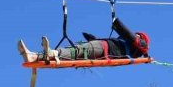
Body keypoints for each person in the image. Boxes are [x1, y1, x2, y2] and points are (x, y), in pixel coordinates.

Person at [17, 18, 150, 63]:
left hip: (104, 48)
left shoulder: (140, 46)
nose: (135, 35)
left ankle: (52, 53)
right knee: (74, 51)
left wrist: (116, 22)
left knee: (77, 50)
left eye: (137, 35)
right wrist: (92, 39)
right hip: (103, 48)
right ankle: (35, 56)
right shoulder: (127, 47)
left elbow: (128, 35)